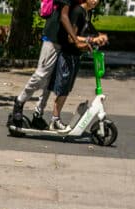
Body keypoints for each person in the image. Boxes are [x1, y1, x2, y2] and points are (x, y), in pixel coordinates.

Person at [47, 0, 107, 132]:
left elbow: (88, 31)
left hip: (75, 55)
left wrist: (99, 37)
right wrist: (90, 40)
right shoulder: (78, 11)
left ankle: (55, 119)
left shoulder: (86, 13)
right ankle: (54, 120)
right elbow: (71, 37)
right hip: (68, 54)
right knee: (63, 88)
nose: (96, 1)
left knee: (66, 89)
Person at [11, 0, 71, 129]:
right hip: (52, 37)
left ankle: (38, 114)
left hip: (63, 41)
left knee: (50, 81)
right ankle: (19, 102)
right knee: (41, 74)